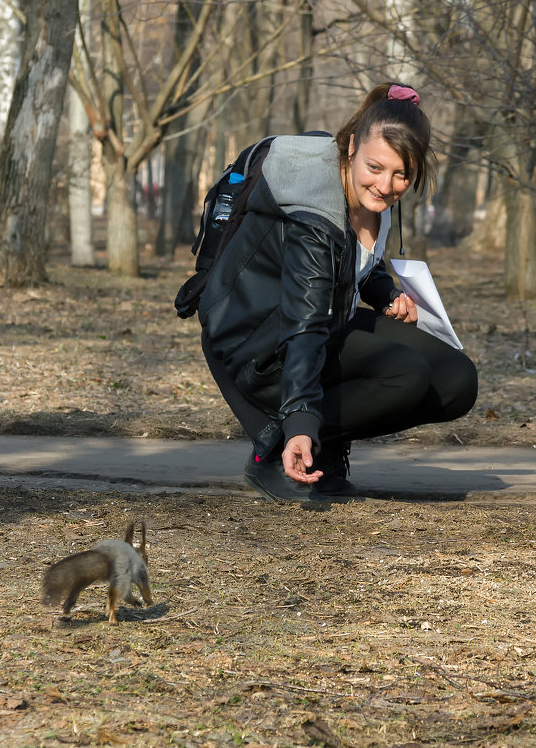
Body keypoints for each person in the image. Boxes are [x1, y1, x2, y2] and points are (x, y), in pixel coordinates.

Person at [197, 82, 478, 501]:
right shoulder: (315, 214)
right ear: (349, 149)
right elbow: (304, 325)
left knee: (457, 380)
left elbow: (357, 266)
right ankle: (279, 446)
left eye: (403, 174)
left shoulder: (367, 200)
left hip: (321, 324)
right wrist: (301, 423)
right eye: (376, 168)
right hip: (259, 346)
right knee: (405, 373)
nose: (386, 185)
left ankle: (317, 437)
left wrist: (384, 293)